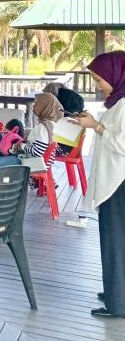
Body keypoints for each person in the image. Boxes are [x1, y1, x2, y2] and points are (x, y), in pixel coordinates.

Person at [71, 52, 125, 319]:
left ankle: (119, 304)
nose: (97, 84)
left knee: (115, 241)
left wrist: (96, 127)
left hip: (119, 181)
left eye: (99, 79)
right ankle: (117, 291)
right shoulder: (118, 101)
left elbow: (123, 144)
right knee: (116, 240)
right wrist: (94, 124)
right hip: (115, 179)